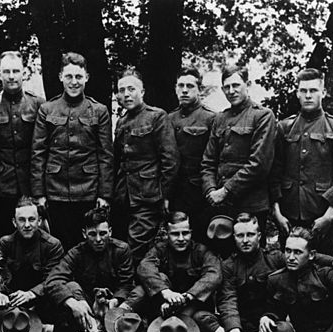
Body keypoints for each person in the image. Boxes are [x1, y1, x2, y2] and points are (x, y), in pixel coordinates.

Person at [217, 213, 333, 332]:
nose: (245, 240)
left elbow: (305, 255)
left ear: (259, 236)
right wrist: (234, 331)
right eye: (240, 235)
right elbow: (228, 299)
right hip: (238, 327)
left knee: (286, 329)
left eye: (250, 234)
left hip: (264, 329)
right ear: (234, 237)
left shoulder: (275, 258)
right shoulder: (228, 266)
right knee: (203, 318)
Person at [30, 52, 114, 250]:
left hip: (88, 190)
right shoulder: (47, 109)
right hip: (55, 191)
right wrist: (38, 193)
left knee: (86, 244)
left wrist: (104, 195)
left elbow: (106, 155)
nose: (74, 82)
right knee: (58, 243)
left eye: (78, 77)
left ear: (86, 77)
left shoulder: (99, 111)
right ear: (61, 77)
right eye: (69, 77)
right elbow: (38, 153)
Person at [270, 68, 333, 257]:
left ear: (323, 93)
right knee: (289, 272)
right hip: (289, 217)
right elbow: (274, 174)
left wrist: (329, 216)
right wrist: (277, 213)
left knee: (328, 270)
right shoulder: (284, 127)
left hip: (323, 217)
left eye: (313, 90)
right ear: (297, 93)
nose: (308, 95)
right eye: (303, 91)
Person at [200, 64, 276, 247]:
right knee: (223, 258)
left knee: (252, 259)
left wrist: (225, 191)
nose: (231, 91)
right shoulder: (220, 119)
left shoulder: (263, 116)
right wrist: (210, 191)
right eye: (226, 87)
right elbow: (208, 162)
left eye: (236, 85)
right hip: (221, 205)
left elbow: (258, 164)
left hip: (251, 204)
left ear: (247, 84)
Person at [45, 207, 136, 332]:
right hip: (86, 307)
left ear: (110, 232)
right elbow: (52, 280)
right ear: (84, 234)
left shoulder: (121, 250)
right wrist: (74, 303)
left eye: (103, 233)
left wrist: (114, 301)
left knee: (137, 292)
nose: (98, 239)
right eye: (92, 234)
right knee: (71, 286)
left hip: (111, 307)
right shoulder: (76, 253)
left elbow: (126, 284)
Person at [112, 68, 179, 265]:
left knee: (136, 248)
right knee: (119, 245)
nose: (126, 94)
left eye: (131, 89)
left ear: (142, 92)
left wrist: (166, 196)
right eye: (121, 90)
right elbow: (118, 161)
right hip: (123, 197)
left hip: (148, 196)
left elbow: (170, 159)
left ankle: (135, 291)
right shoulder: (121, 122)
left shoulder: (157, 117)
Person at [136, 211, 225, 332]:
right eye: (175, 234)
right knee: (159, 277)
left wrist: (188, 296)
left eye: (186, 233)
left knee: (202, 319)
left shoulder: (201, 251)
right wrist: (166, 292)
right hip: (164, 310)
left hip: (193, 308)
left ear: (191, 232)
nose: (181, 238)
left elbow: (214, 274)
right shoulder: (160, 250)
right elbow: (144, 267)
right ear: (166, 234)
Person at [0, 51, 45, 239]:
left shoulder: (38, 104)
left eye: (16, 71)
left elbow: (43, 148)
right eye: (6, 71)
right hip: (1, 185)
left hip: (30, 183)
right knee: (3, 235)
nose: (11, 76)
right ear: (0, 75)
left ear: (24, 73)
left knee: (34, 235)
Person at [0, 196, 64, 324]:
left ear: (39, 221)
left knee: (57, 297)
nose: (27, 225)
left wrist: (32, 293)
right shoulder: (6, 242)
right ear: (14, 222)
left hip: (38, 298)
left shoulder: (52, 245)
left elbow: (54, 278)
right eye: (22, 220)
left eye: (31, 219)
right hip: (11, 298)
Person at [167, 66, 215, 243]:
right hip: (175, 194)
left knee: (201, 241)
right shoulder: (169, 118)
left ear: (200, 90)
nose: (184, 90)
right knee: (177, 240)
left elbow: (214, 159)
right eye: (180, 86)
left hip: (200, 195)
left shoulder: (210, 118)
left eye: (190, 86)